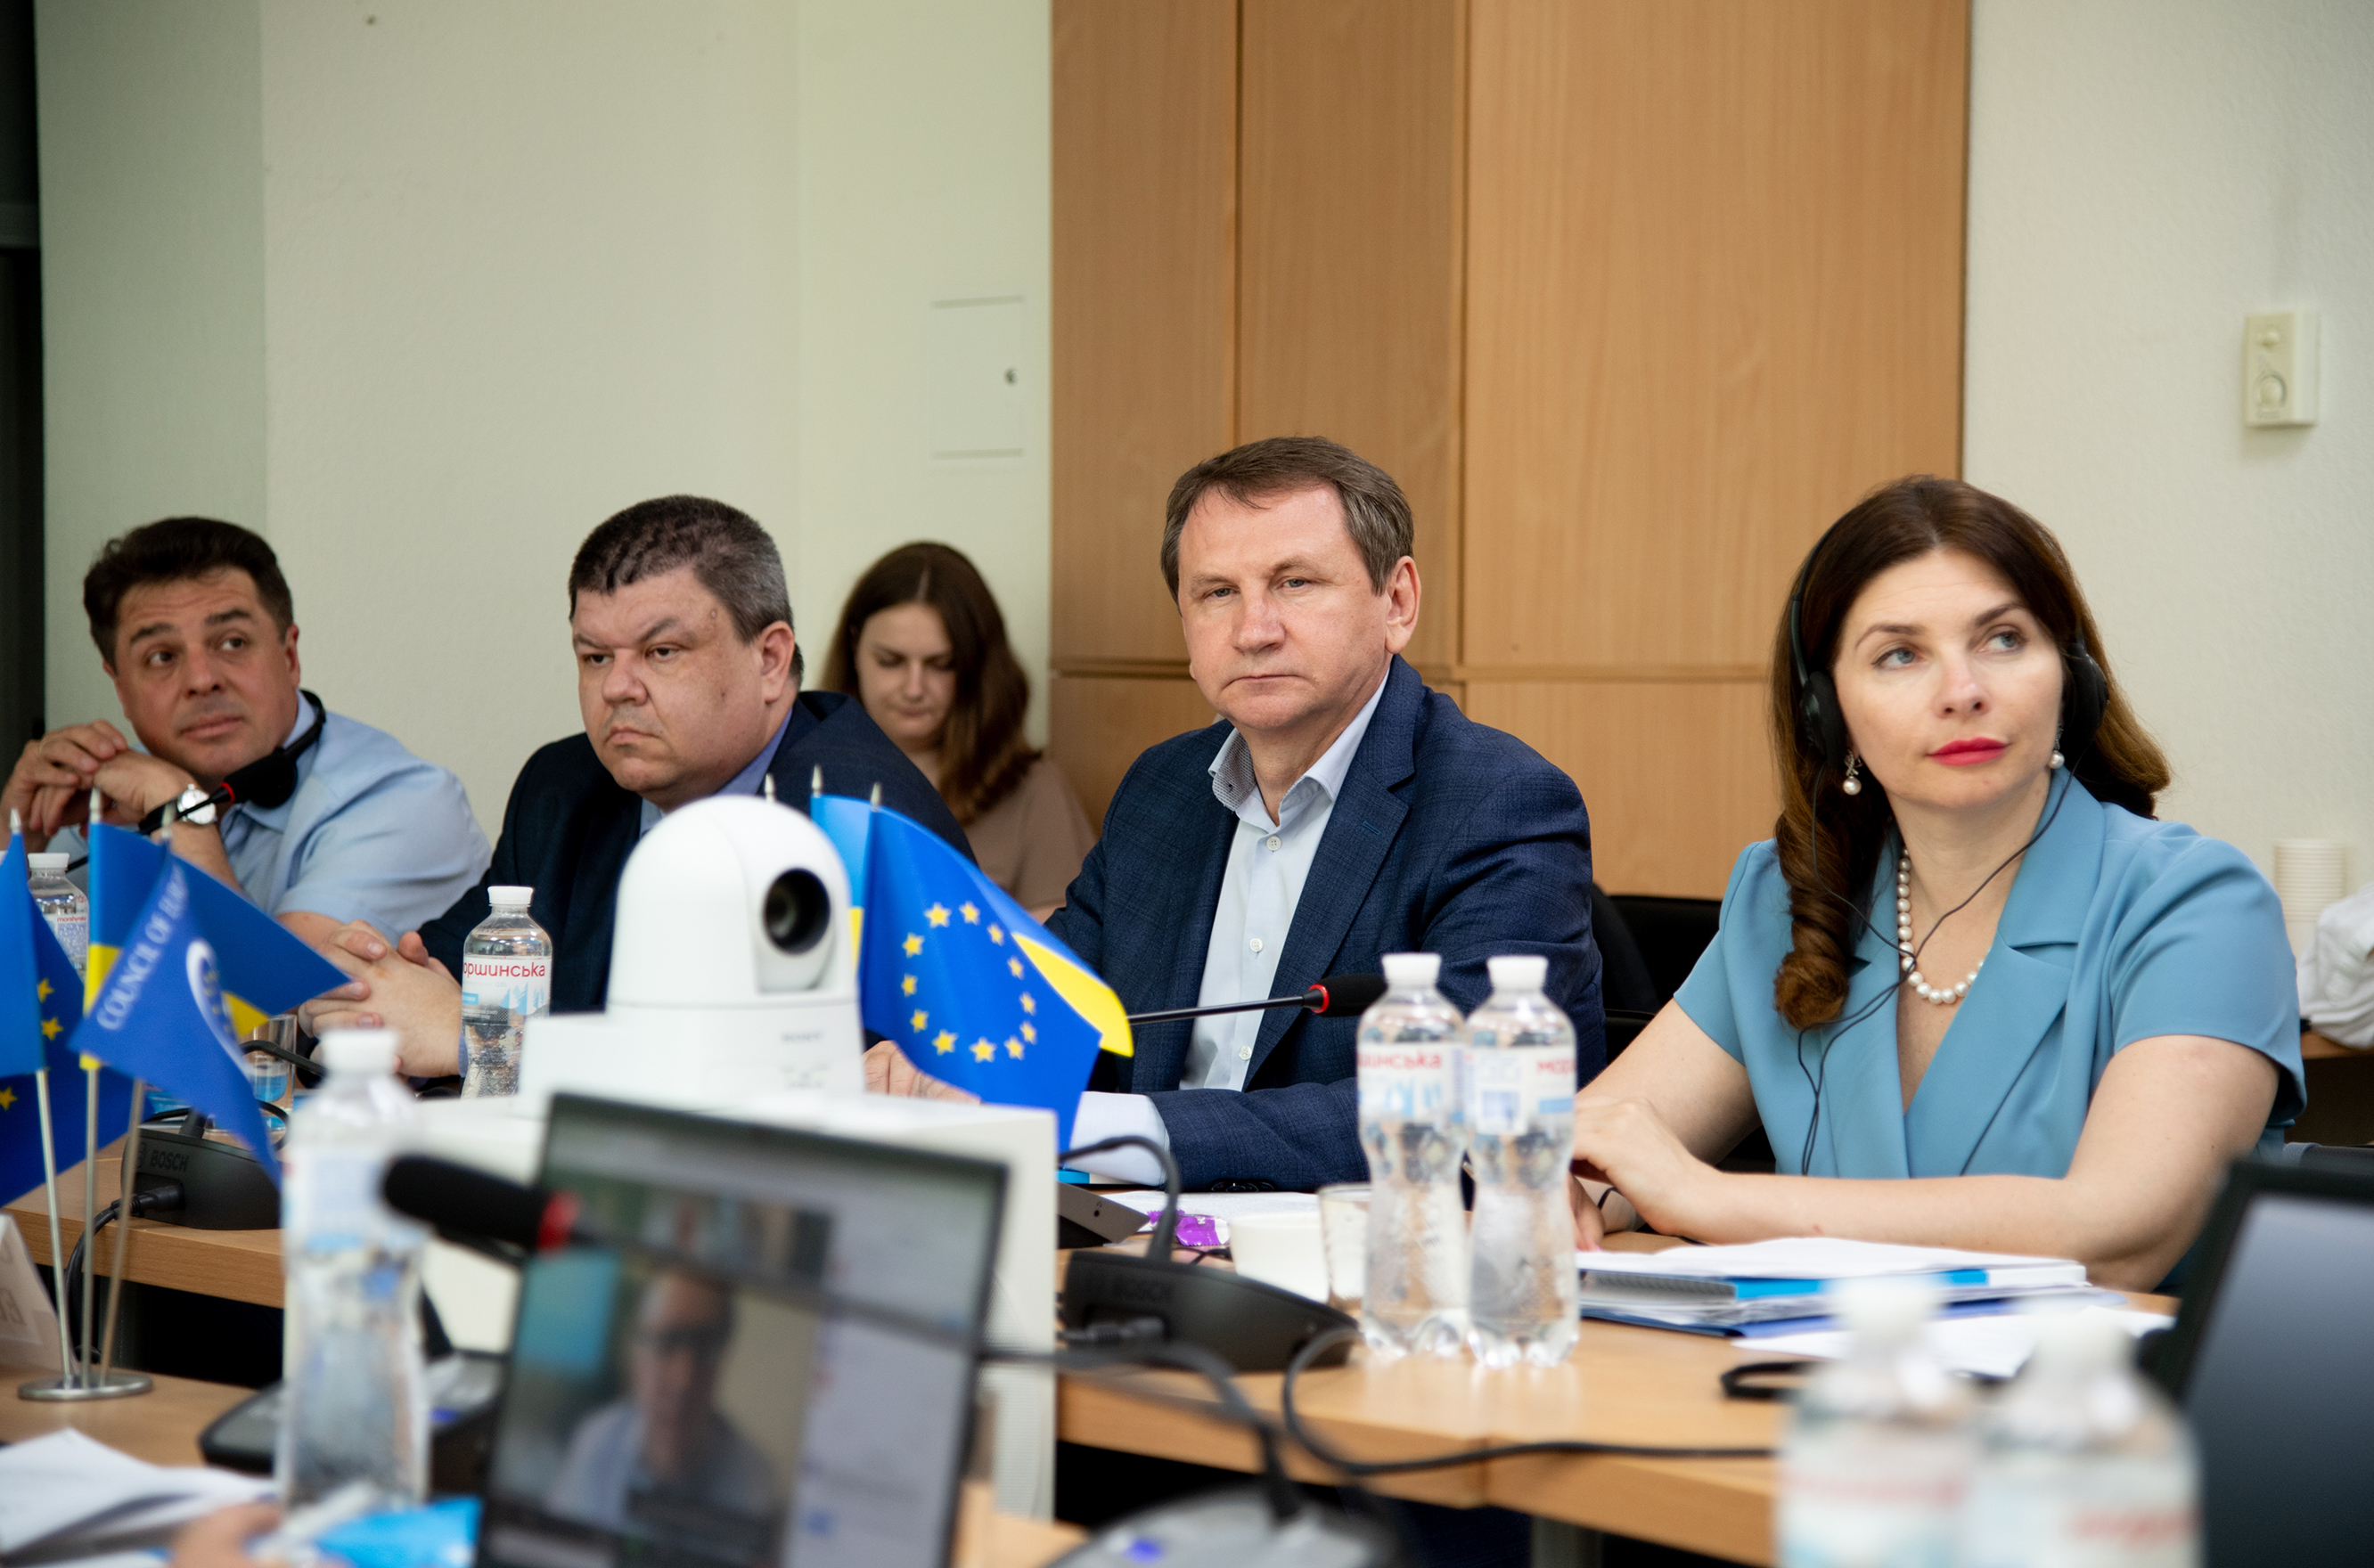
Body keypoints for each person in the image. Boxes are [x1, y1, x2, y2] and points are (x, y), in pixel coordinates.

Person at [1568, 477, 2303, 1290]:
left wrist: (1706, 1198)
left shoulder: (2199, 906)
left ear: (2072, 675)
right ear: (1826, 715)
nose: (1963, 692)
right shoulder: (1792, 897)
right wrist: (1558, 1192)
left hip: (2107, 1373)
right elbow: (1594, 1156)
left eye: (2003, 640)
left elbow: (2117, 1233)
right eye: (1900, 655)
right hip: (1815, 1368)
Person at [875, 437, 1602, 1191]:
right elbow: (1050, 1007)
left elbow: (1460, 1105)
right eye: (1218, 593)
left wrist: (1094, 1129)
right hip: (1134, 1234)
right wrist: (930, 1061)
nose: (1254, 630)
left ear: (1397, 602)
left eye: (1294, 583)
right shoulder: (1162, 788)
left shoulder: (1500, 804)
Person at [300, 495, 970, 1074]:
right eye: (595, 657)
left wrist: (481, 1039)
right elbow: (443, 981)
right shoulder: (563, 787)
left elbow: (769, 1085)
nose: (617, 688)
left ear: (770, 660)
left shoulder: (856, 818)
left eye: (661, 652)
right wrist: (364, 995)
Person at [0, 517, 487, 943]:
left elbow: (271, 1002)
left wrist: (178, 808)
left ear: (289, 657)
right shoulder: (101, 799)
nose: (201, 679)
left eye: (232, 642)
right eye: (162, 656)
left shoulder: (407, 802)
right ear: (121, 689)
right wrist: (13, 838)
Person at [825, 542, 1093, 919]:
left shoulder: (1035, 793)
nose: (914, 688)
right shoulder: (804, 772)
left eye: (941, 665)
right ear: (854, 648)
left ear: (975, 666)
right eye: (890, 661)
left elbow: (1062, 940)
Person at [546, 1270, 781, 1539]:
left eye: (705, 1349)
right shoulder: (595, 1445)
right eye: (667, 1343)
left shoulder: (755, 1486)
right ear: (634, 1352)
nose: (683, 1381)